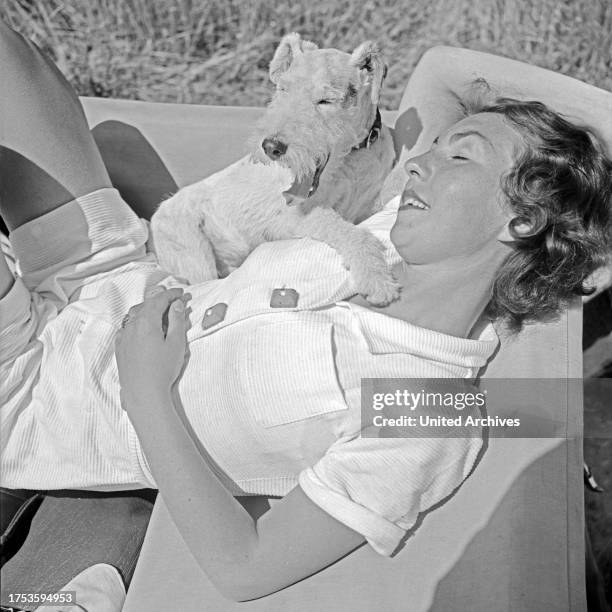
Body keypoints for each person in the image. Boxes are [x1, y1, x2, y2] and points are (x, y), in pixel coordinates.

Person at [1, 20, 610, 603]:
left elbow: (245, 566)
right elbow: (446, 70)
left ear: (523, 220)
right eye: (438, 147)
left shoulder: (424, 404)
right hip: (112, 274)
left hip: (48, 391)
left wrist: (146, 390)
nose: (419, 160)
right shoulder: (387, 235)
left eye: (461, 157)